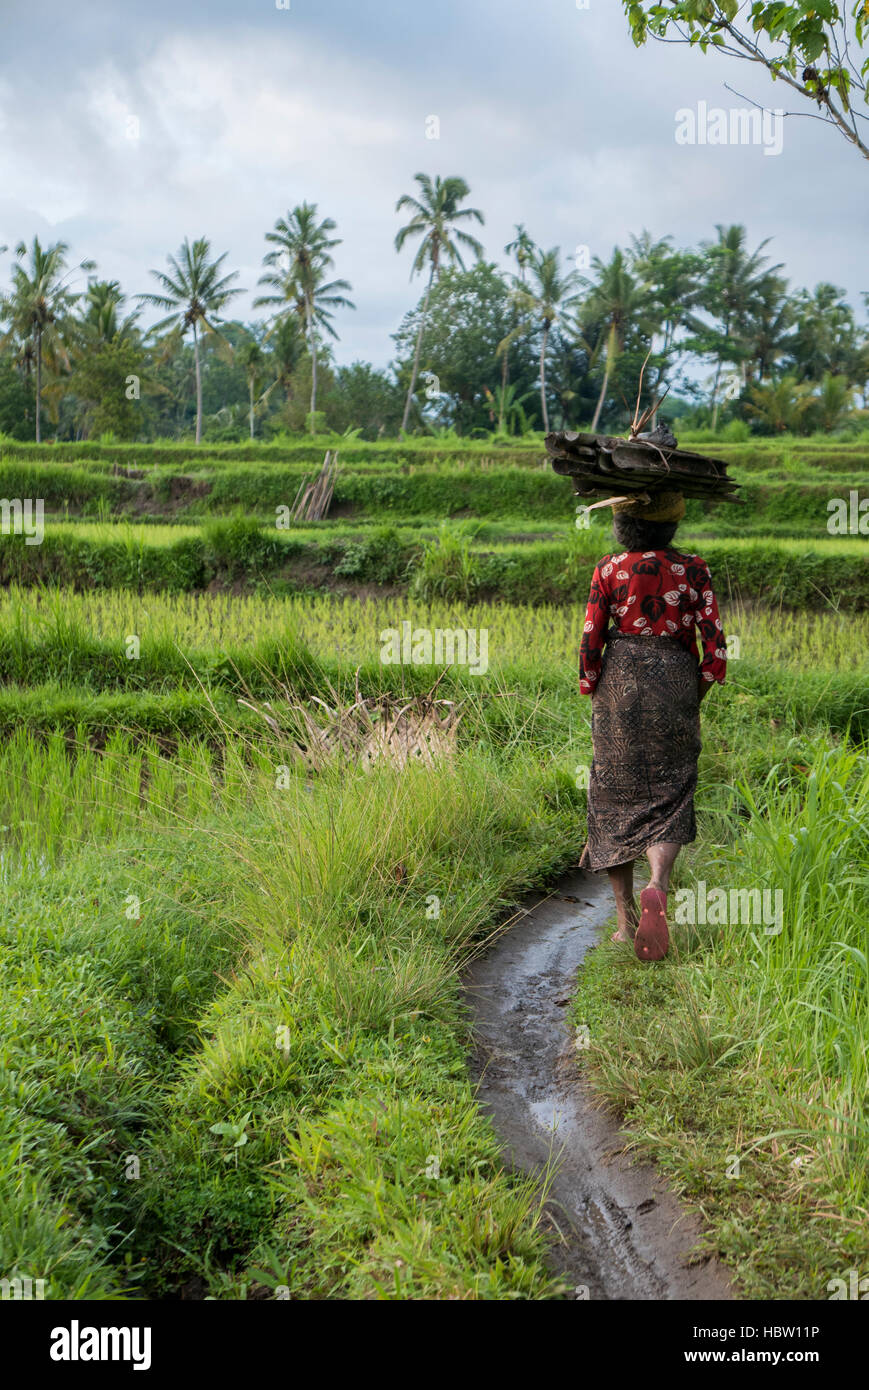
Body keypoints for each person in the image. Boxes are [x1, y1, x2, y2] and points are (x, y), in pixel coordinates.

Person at [578, 489, 727, 961]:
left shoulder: (609, 568)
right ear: (670, 526)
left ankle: (623, 924)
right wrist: (695, 691)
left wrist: (593, 687)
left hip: (619, 685)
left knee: (613, 795)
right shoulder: (694, 568)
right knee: (671, 790)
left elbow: (590, 641)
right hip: (675, 683)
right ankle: (658, 884)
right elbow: (715, 648)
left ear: (624, 527)